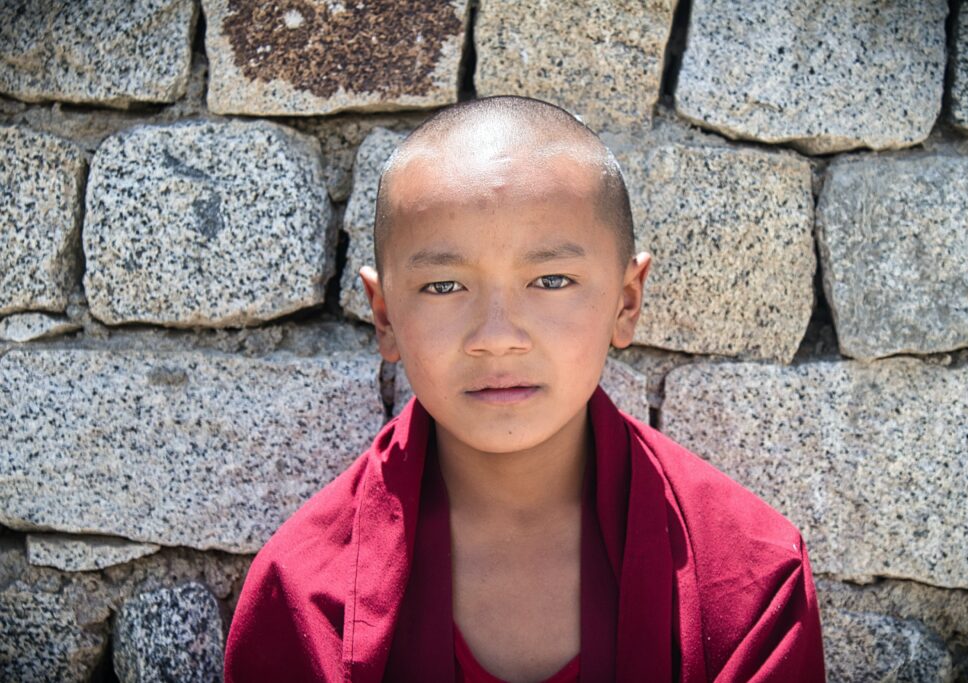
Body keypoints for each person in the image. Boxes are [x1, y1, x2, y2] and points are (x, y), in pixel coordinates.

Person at [224, 94, 826, 682]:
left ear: (626, 301)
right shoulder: (302, 595)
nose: (497, 337)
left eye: (552, 279)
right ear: (384, 317)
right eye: (442, 286)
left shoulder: (748, 580)